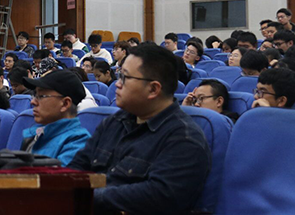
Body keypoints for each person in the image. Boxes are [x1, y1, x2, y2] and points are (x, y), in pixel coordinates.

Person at [68, 43, 211, 214]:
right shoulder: (114, 122)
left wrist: (86, 196)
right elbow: (76, 169)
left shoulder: (184, 139)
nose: (117, 84)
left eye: (125, 78)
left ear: (153, 89)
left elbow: (158, 198)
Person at [21, 70, 90, 166]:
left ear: (65, 104)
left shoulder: (78, 142)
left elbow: (57, 175)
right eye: (34, 95)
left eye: (41, 96)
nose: (33, 102)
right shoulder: (35, 135)